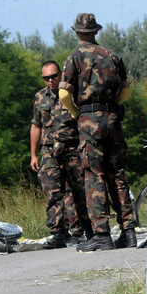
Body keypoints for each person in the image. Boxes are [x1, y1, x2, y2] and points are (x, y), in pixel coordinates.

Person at [58, 13, 136, 252]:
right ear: (95, 32)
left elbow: (63, 94)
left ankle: (102, 234)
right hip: (113, 119)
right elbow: (126, 89)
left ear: (77, 32)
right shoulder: (113, 56)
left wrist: (74, 113)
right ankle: (128, 231)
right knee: (118, 174)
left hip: (89, 120)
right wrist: (115, 106)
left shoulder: (74, 58)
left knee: (94, 174)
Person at [30, 60, 92, 249]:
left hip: (73, 148)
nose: (50, 80)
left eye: (53, 76)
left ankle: (86, 230)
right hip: (49, 151)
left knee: (80, 191)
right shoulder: (40, 98)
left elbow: (85, 121)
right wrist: (33, 154)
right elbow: (36, 126)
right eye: (46, 77)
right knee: (52, 192)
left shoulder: (72, 94)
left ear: (61, 75)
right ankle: (58, 233)